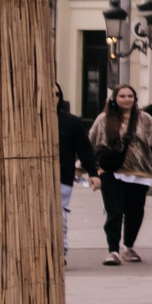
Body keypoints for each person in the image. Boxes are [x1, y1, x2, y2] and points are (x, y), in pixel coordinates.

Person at [86, 84, 152, 265]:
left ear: (135, 99)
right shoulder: (104, 119)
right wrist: (86, 169)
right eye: (122, 96)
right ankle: (113, 251)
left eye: (130, 96)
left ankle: (129, 246)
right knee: (114, 211)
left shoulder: (145, 119)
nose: (126, 99)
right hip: (111, 172)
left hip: (139, 173)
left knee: (135, 212)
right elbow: (90, 143)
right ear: (114, 99)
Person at [55, 88, 93, 244]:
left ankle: (60, 249)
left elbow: (84, 148)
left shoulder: (71, 121)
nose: (53, 98)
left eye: (56, 94)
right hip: (31, 178)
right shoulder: (28, 120)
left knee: (60, 214)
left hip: (63, 176)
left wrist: (93, 173)